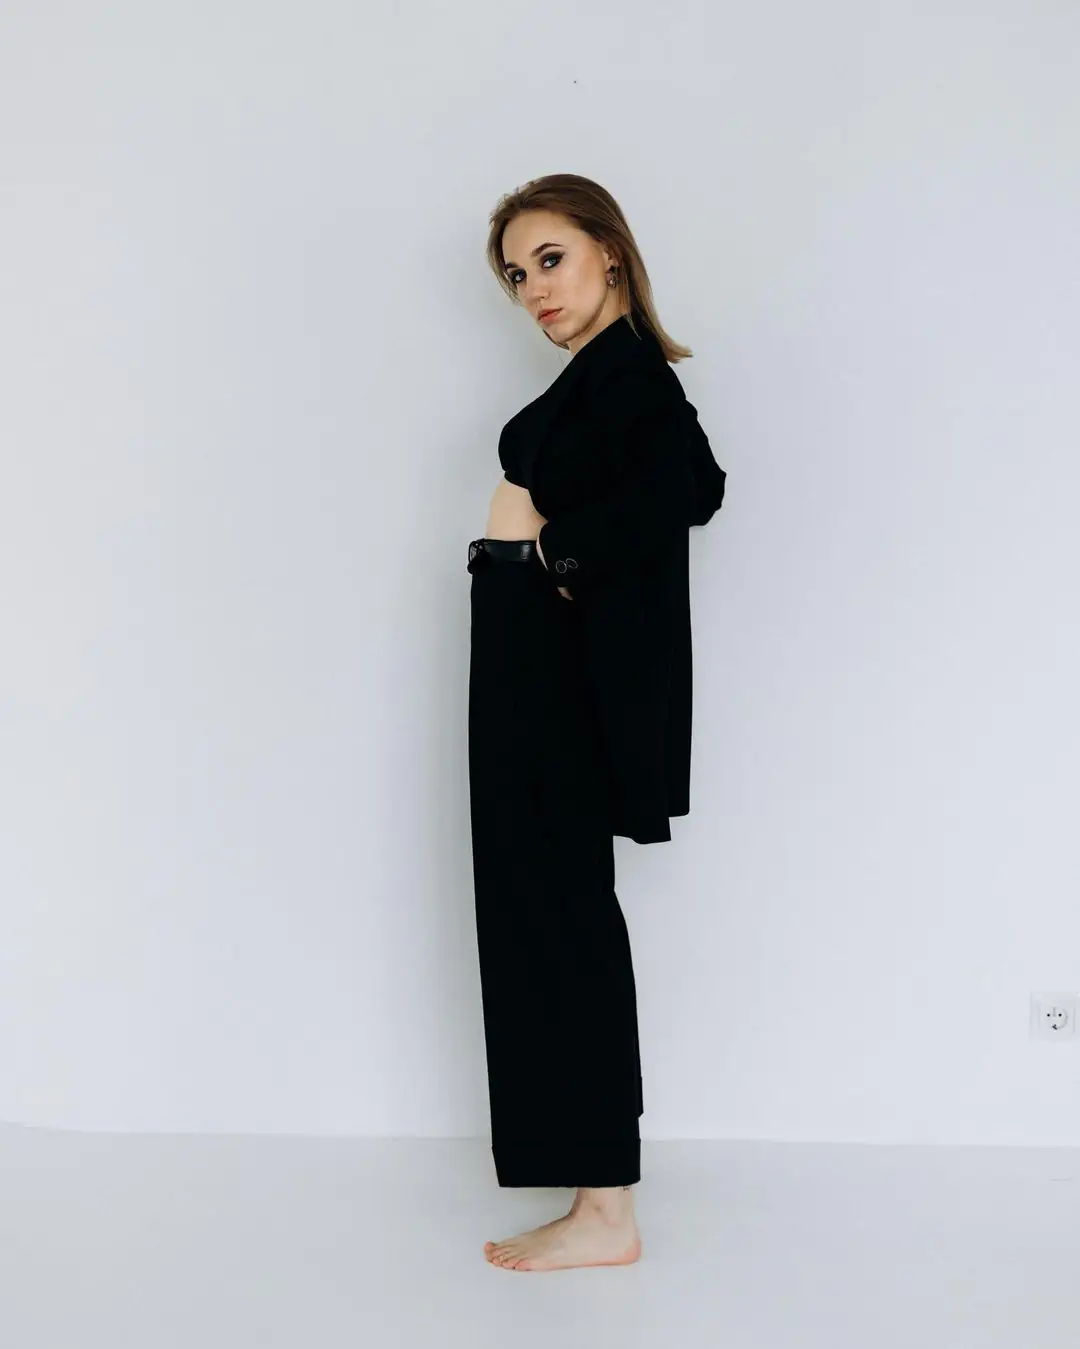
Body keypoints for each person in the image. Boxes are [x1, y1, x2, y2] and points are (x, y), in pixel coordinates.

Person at [467, 174, 727, 1272]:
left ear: (608, 252)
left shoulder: (630, 374)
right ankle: (592, 1194)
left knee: (559, 919)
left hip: (553, 674)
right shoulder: (596, 376)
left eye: (551, 258)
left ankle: (606, 1211)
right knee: (539, 913)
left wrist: (551, 558)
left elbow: (693, 485)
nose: (535, 287)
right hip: (531, 659)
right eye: (517, 274)